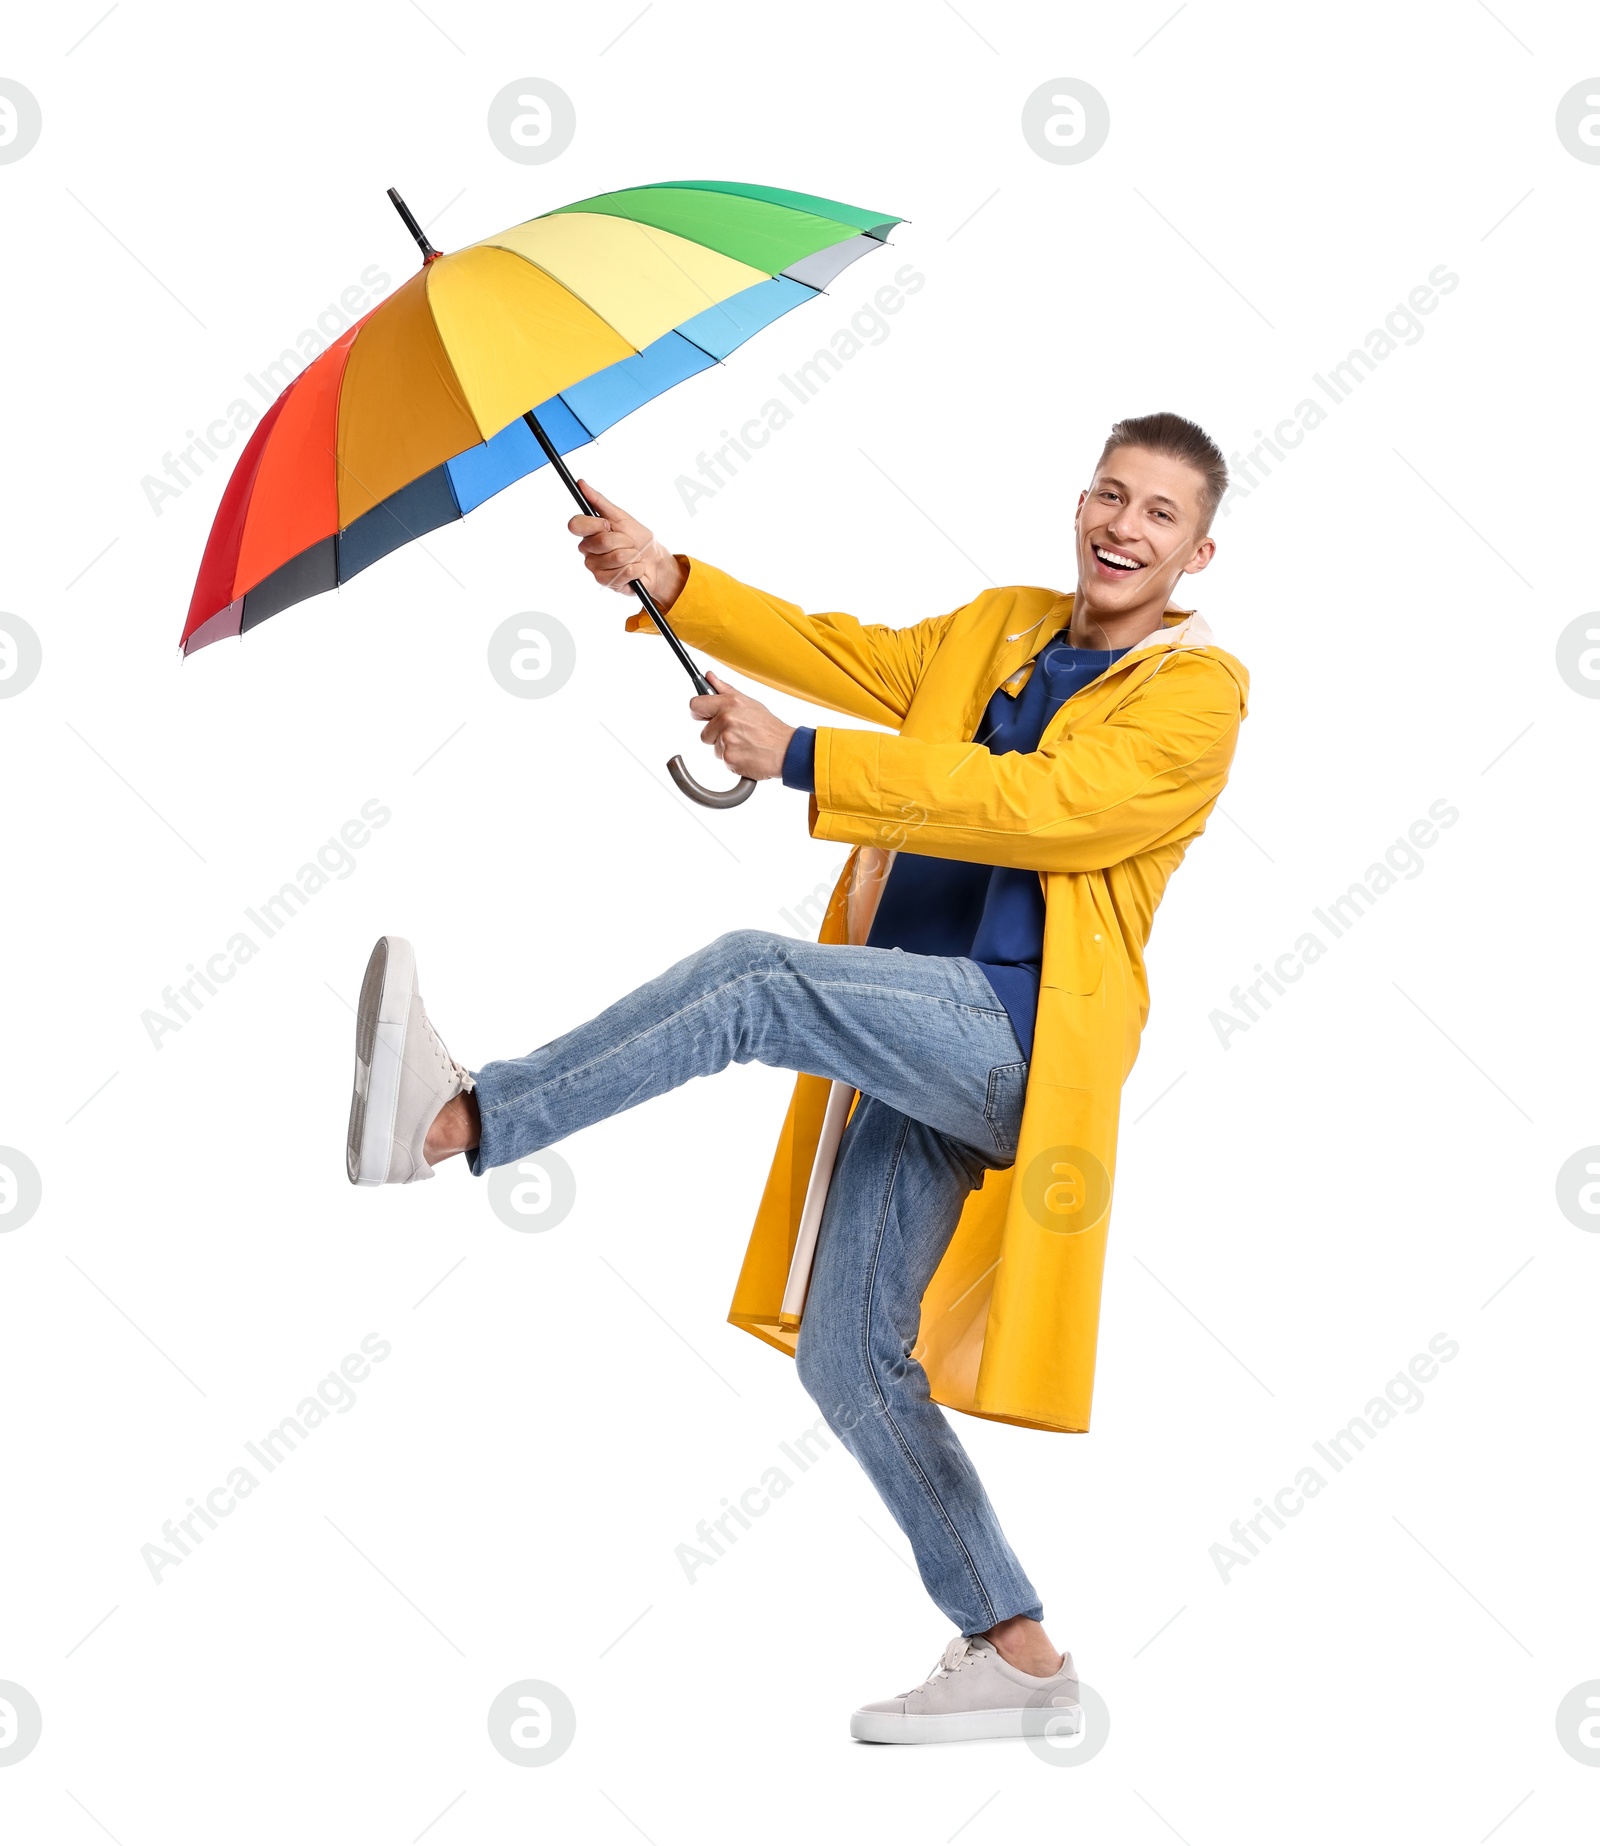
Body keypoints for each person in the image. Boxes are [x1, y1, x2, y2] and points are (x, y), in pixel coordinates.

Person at [344, 411, 1250, 1746]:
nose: (1125, 526)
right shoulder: (1003, 626)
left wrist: (804, 759)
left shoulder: (1196, 689)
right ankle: (1018, 1650)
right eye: (1110, 495)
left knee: (757, 983)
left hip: (1018, 1040)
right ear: (1078, 502)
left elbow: (1043, 807)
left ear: (1199, 549)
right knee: (847, 1356)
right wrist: (665, 575)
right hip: (913, 1027)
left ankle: (460, 1116)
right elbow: (840, 652)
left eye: (1159, 514)